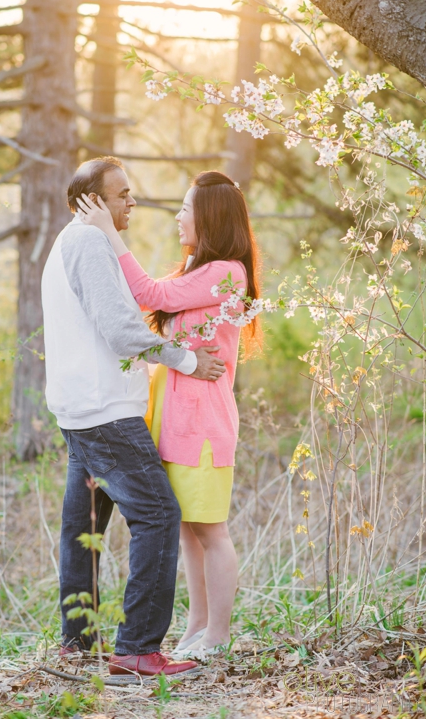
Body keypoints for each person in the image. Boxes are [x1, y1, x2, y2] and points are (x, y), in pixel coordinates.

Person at [42, 156, 226, 680]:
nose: (132, 202)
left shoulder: (65, 243)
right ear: (93, 201)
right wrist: (186, 359)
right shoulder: (88, 244)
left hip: (80, 409)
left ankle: (78, 644)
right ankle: (139, 649)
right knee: (160, 515)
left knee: (86, 527)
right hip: (106, 411)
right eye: (121, 194)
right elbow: (123, 331)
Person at [76, 170, 263, 659]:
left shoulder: (228, 272)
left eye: (186, 209)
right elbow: (151, 296)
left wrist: (110, 235)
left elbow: (149, 295)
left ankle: (218, 636)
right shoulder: (196, 271)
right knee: (185, 528)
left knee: (211, 530)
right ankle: (196, 625)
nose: (178, 218)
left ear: (211, 217)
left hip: (203, 424)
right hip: (171, 417)